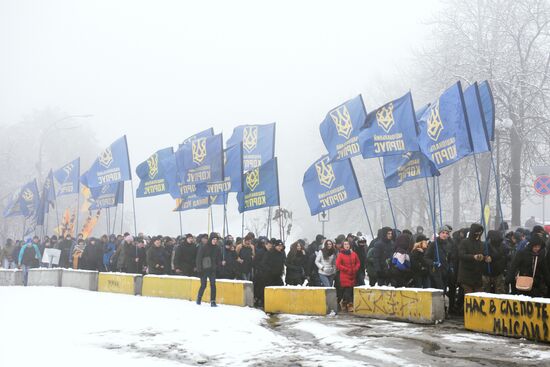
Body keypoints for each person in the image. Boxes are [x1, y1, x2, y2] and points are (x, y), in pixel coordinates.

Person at [458, 223, 486, 294]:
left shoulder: (481, 244)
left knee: (479, 296)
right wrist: (473, 257)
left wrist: (485, 258)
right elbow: (461, 255)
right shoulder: (464, 242)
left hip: (477, 276)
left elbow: (483, 254)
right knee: (469, 296)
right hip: (466, 275)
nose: (478, 234)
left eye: (480, 233)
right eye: (476, 232)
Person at [196, 233, 222, 307]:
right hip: (204, 270)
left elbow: (218, 258)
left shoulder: (217, 248)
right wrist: (199, 269)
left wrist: (219, 264)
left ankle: (213, 301)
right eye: (213, 239)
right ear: (211, 239)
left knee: (213, 285)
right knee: (203, 285)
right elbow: (199, 258)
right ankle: (199, 298)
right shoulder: (204, 247)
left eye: (216, 239)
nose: (215, 241)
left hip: (213, 269)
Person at [335, 240, 360, 312]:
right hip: (344, 275)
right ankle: (350, 304)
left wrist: (355, 268)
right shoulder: (341, 255)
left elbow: (358, 262)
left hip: (353, 275)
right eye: (345, 244)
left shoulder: (354, 254)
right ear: (343, 246)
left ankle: (344, 302)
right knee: (347, 290)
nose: (347, 245)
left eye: (348, 244)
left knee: (350, 290)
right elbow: (338, 265)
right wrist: (346, 269)